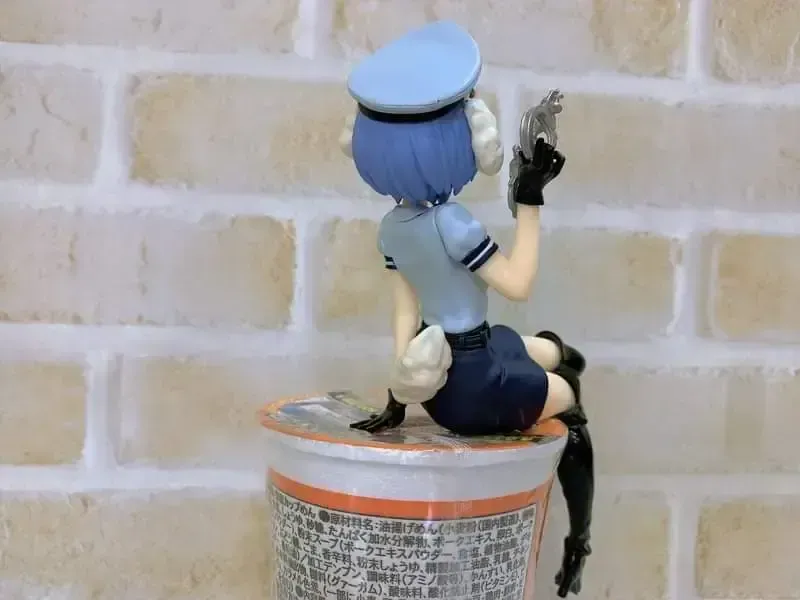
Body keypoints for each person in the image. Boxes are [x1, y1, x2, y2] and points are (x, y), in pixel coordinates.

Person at [338, 20, 593, 598]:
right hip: (475, 384)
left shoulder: (391, 227)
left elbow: (404, 318)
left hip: (444, 381)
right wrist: (530, 198)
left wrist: (399, 396)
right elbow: (518, 283)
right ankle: (578, 545)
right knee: (572, 400)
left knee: (550, 350)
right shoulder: (452, 222)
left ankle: (553, 370)